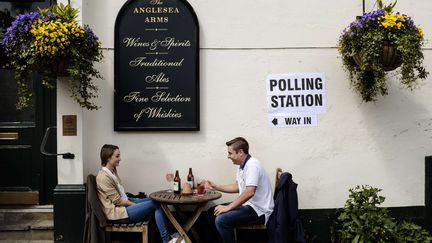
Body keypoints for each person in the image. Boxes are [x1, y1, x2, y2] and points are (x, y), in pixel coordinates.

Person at [96, 144, 182, 243]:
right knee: (155, 204)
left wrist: (135, 201)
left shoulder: (111, 172)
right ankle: (167, 240)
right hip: (118, 214)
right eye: (117, 156)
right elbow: (118, 201)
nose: (120, 158)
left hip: (125, 204)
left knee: (156, 200)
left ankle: (169, 235)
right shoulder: (103, 177)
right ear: (108, 158)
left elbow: (121, 196)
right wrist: (135, 204)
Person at [205, 137, 274, 243]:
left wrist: (228, 207)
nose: (228, 156)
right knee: (211, 212)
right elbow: (238, 187)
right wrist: (216, 186)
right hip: (248, 205)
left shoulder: (252, 165)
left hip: (260, 210)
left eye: (230, 153)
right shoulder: (242, 165)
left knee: (221, 220)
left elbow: (250, 191)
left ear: (240, 152)